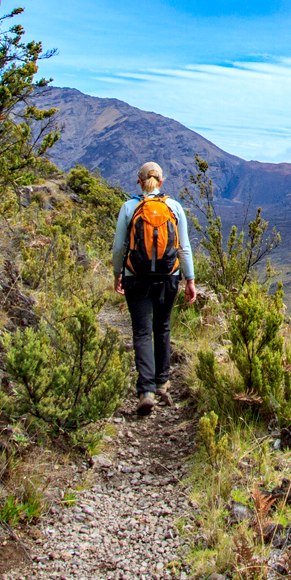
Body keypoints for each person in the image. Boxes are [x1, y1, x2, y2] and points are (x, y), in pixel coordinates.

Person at [112, 161, 197, 415]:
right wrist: (189, 279)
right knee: (163, 326)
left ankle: (146, 390)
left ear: (140, 182)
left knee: (141, 331)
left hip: (135, 277)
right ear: (161, 182)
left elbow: (119, 247)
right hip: (168, 277)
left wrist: (118, 274)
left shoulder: (129, 207)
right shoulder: (174, 207)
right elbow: (184, 248)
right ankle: (162, 383)